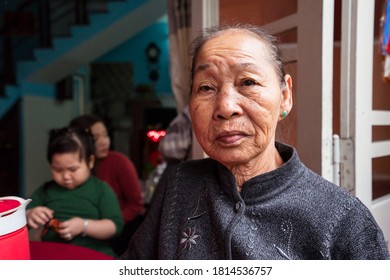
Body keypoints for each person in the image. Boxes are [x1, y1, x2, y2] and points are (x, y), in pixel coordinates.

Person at [124, 24, 390, 260]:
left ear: (285, 96)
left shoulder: (342, 218)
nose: (226, 107)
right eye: (206, 87)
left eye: (248, 82)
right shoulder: (180, 184)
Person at [26, 127, 123, 258]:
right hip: (54, 256)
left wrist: (84, 226)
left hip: (94, 255)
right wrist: (30, 214)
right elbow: (22, 215)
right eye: (58, 170)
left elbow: (115, 226)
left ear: (90, 162)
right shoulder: (46, 190)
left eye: (73, 169)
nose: (66, 176)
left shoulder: (100, 189)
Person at [69, 115, 144, 255]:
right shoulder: (73, 166)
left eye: (106, 135)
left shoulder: (120, 162)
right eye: (97, 138)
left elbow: (136, 205)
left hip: (121, 228)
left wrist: (108, 225)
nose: (105, 142)